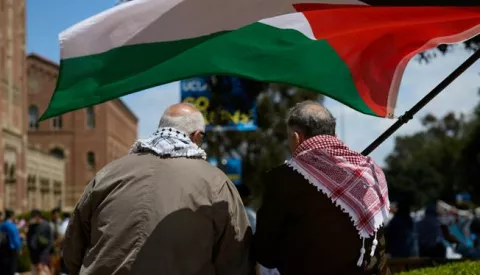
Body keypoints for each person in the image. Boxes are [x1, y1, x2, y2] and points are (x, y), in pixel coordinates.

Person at [63, 103, 253, 275]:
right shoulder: (216, 182)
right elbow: (236, 258)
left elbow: (72, 251)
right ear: (196, 136)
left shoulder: (108, 174)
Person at [254, 101, 391, 275]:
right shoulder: (371, 172)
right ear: (334, 134)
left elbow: (266, 252)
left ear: (297, 138)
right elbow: (378, 246)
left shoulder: (283, 179)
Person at [27, 209, 54, 275]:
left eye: (34, 216)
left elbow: (50, 241)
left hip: (42, 255)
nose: (33, 218)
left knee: (42, 271)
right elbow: (29, 240)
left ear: (38, 216)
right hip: (34, 256)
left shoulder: (46, 225)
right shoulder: (32, 226)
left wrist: (42, 260)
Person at [0, 209, 22, 275]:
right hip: (11, 250)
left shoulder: (2, 225)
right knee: (11, 269)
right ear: (12, 216)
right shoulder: (12, 226)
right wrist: (19, 248)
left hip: (2, 249)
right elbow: (15, 239)